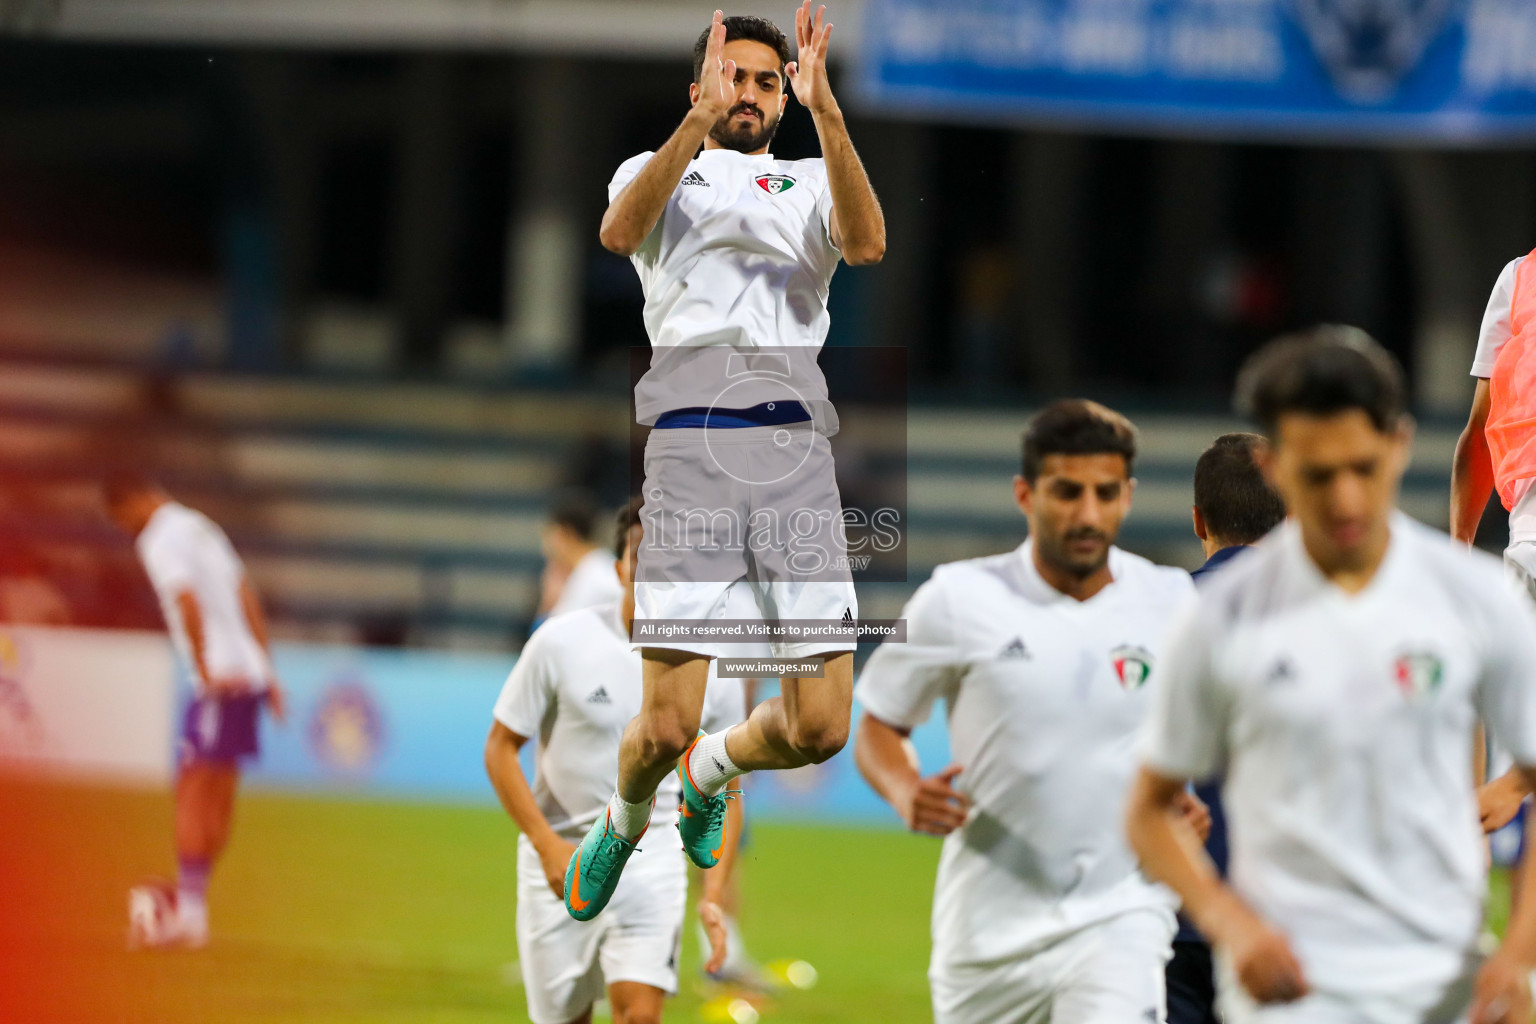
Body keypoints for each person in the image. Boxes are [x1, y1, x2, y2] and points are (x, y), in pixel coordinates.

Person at [570, 3, 886, 921]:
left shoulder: (810, 181)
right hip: (688, 449)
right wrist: (695, 124)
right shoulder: (662, 169)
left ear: (784, 95)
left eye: (764, 81)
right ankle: (626, 820)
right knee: (664, 724)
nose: (747, 93)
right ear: (703, 84)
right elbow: (619, 233)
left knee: (823, 728)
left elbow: (866, 244)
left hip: (794, 453)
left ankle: (716, 770)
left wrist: (829, 113)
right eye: (732, 77)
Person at [1127, 327, 1536, 1024]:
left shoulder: (1476, 599)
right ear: (1277, 468)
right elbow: (1147, 809)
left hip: (1434, 972)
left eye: (1364, 468)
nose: (1346, 499)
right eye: (1318, 475)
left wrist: (1517, 955)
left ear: (1400, 446)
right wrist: (1230, 924)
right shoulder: (1217, 616)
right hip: (1287, 982)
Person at [852, 399, 1208, 1024]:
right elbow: (879, 723)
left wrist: (1177, 792)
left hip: (1121, 917)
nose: (1088, 514)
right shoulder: (955, 599)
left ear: (1129, 495)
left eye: (1105, 493)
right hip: (985, 936)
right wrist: (905, 788)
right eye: (1067, 492)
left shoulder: (1172, 600)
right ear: (1025, 493)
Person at [486, 498, 746, 1024]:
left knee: (639, 1016)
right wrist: (544, 844)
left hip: (654, 858)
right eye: (643, 555)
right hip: (561, 858)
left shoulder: (716, 665)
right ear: (619, 567)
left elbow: (726, 788)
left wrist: (713, 892)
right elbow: (499, 747)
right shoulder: (560, 641)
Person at [105, 477, 286, 950]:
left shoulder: (159, 538)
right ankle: (193, 909)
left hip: (218, 679)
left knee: (192, 788)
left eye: (122, 518)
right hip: (245, 673)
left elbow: (185, 599)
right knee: (219, 794)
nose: (127, 528)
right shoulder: (201, 526)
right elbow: (245, 592)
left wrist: (204, 672)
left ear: (135, 502)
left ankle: (189, 915)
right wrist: (267, 670)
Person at [1168, 432, 1288, 1024]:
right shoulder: (1339, 620)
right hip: (1286, 920)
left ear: (1198, 520)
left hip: (1171, 912)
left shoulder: (1153, 614)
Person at [1451, 250, 1536, 845]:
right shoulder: (1518, 277)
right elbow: (1484, 426)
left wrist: (1454, 554)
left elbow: (1481, 425)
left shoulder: (1521, 276)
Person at [540, 497, 623, 621]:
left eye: (550, 534)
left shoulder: (598, 573)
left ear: (565, 533)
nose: (546, 544)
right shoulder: (583, 571)